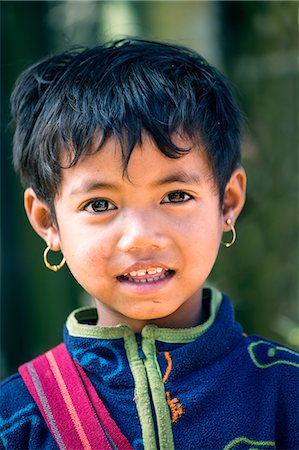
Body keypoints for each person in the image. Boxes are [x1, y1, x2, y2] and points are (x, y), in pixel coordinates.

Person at [0, 38, 298, 450]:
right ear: (47, 220)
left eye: (175, 196)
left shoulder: (287, 392)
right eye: (100, 204)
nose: (140, 236)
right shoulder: (16, 420)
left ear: (227, 202)